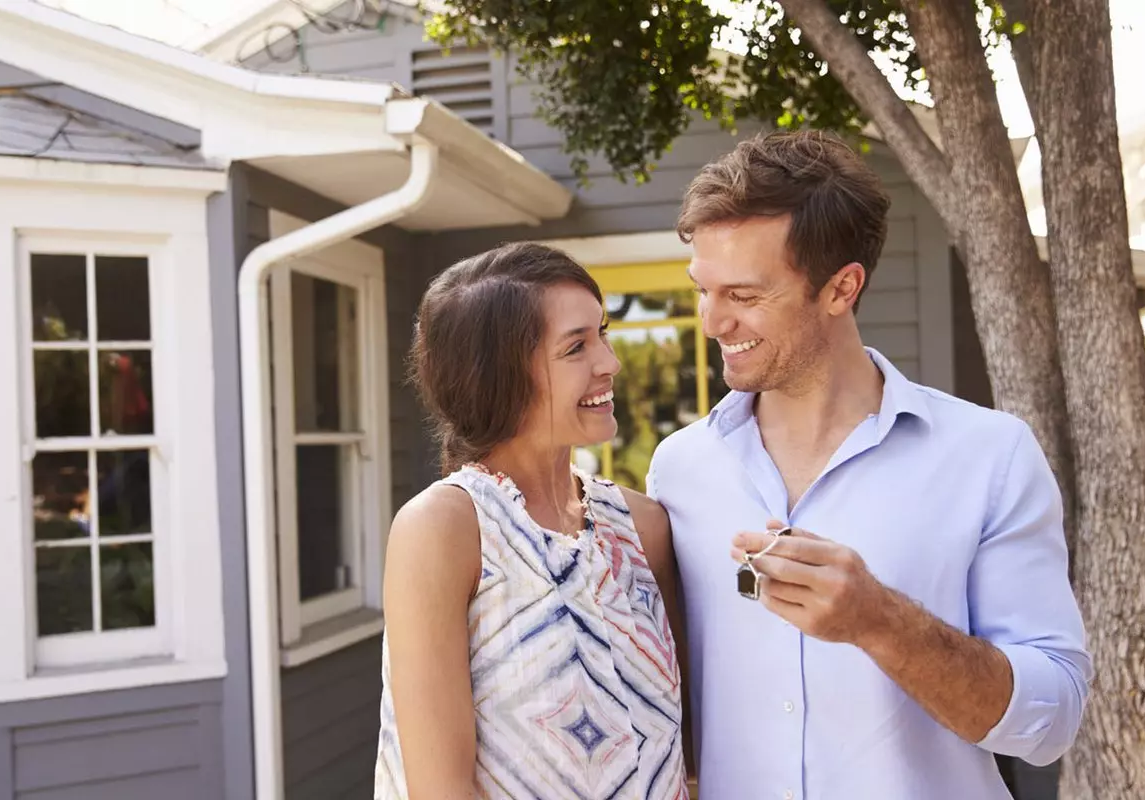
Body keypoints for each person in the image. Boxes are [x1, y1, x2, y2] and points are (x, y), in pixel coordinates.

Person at [646, 130, 1092, 799]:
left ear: (841, 288)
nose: (712, 323)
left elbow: (1051, 721)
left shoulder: (989, 457)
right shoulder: (677, 470)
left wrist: (880, 621)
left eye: (743, 296)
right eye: (703, 290)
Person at [375, 242, 690, 799]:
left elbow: (683, 754)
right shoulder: (445, 529)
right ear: (498, 376)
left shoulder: (642, 528)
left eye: (603, 334)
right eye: (576, 348)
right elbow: (440, 791)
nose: (610, 363)